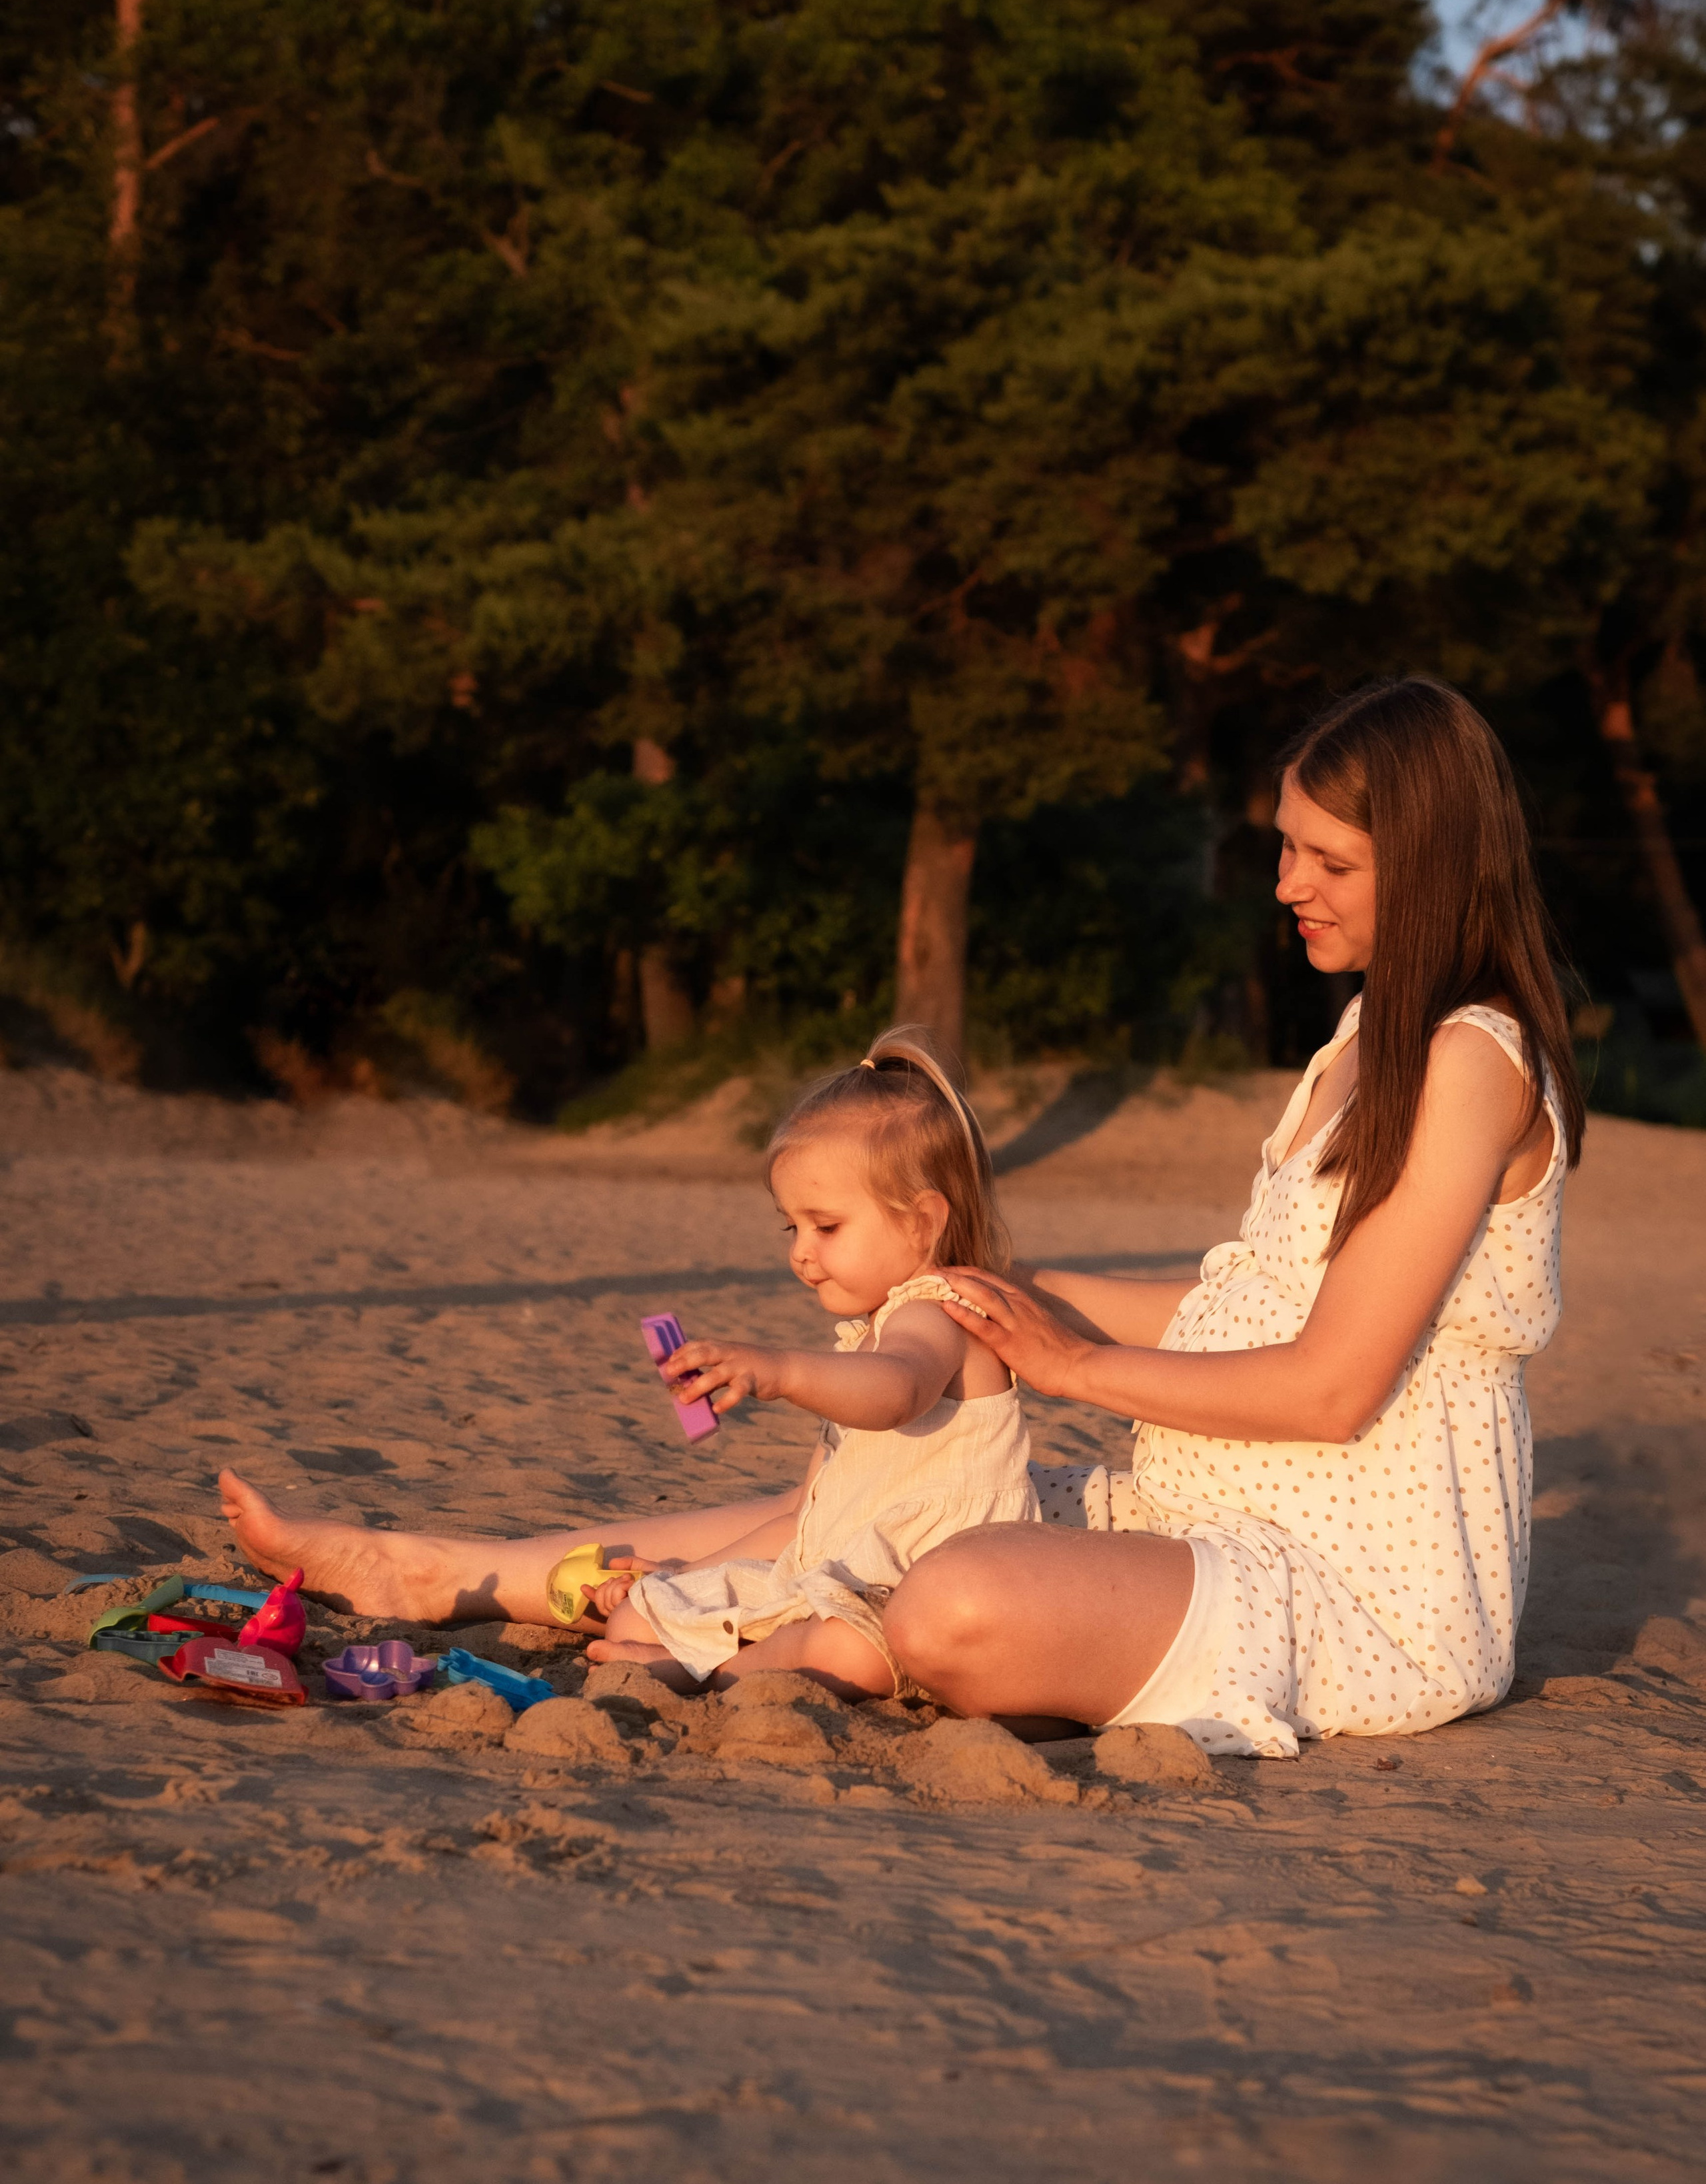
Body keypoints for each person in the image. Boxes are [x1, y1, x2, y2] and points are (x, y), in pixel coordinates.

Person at [876, 676, 1585, 1755]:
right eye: (1287, 847)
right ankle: (525, 1563)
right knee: (885, 1504)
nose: (1288, 883)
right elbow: (1243, 1308)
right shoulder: (1358, 1041)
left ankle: (991, 1656)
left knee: (949, 1601)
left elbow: (1333, 1386)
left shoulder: (1472, 1062)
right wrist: (1023, 1291)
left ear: (1435, 869)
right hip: (1205, 1516)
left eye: (1330, 861)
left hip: (1354, 1587)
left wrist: (1069, 1363)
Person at [217, 1033, 1038, 1699]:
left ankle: (719, 1670)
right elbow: (808, 1519)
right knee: (640, 1617)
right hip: (855, 1573)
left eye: (825, 1226)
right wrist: (679, 1579)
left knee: (844, 1654)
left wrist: (780, 1369)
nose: (801, 1254)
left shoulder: (937, 1312)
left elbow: (894, 1391)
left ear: (924, 1222)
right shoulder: (870, 1333)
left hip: (922, 1600)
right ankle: (674, 1643)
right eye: (788, 1228)